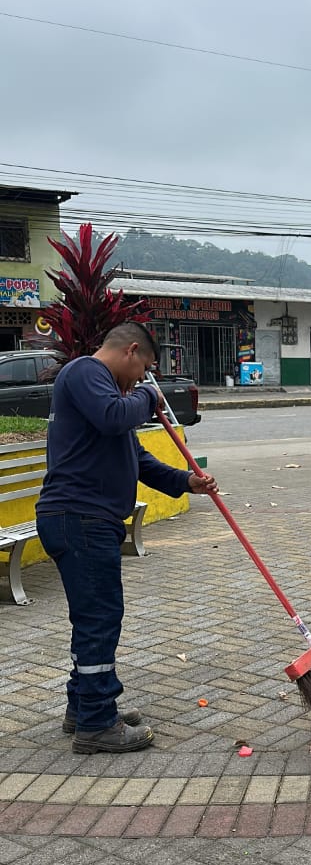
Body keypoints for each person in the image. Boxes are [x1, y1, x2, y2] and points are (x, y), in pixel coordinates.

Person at [36, 322, 218, 755]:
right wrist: (149, 397)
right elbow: (116, 416)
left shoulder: (105, 395)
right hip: (80, 518)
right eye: (144, 369)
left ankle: (84, 707)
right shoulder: (86, 372)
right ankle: (97, 724)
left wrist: (186, 482)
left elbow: (137, 459)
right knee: (99, 619)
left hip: (85, 520)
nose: (141, 380)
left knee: (93, 618)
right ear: (131, 351)